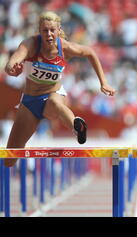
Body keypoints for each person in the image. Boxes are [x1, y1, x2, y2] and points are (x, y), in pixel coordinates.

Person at [3, 11, 115, 167]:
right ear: (39, 31)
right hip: (29, 102)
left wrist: (104, 82)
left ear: (58, 29)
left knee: (55, 103)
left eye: (52, 30)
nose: (49, 34)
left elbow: (90, 52)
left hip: (53, 94)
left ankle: (77, 126)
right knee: (9, 158)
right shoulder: (31, 44)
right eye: (45, 30)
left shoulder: (66, 48)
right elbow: (13, 60)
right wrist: (11, 68)